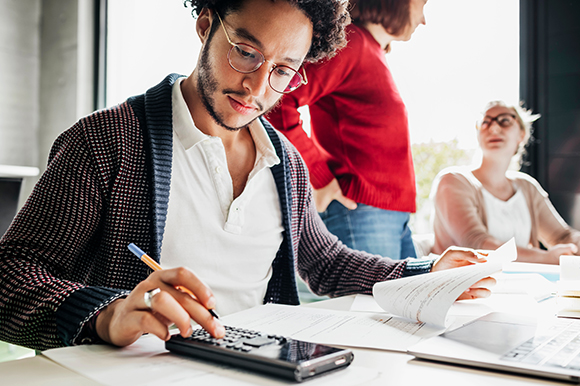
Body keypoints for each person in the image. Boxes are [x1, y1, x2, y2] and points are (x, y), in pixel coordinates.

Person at [0, 0, 492, 351]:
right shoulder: (105, 142)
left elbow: (325, 261)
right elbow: (10, 273)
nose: (257, 87)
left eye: (283, 70)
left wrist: (423, 272)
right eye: (246, 52)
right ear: (206, 25)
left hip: (258, 368)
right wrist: (107, 314)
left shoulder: (284, 162)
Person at [266, 0, 428, 259]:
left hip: (390, 215)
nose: (423, 20)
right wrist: (321, 178)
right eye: (422, 5)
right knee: (373, 301)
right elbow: (277, 102)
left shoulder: (370, 50)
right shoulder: (352, 44)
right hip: (362, 212)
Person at [431, 101, 580, 264]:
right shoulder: (453, 180)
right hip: (466, 287)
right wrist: (545, 258)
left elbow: (562, 236)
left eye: (505, 120)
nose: (494, 128)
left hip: (521, 285)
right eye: (485, 122)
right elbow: (476, 244)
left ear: (521, 134)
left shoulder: (527, 187)